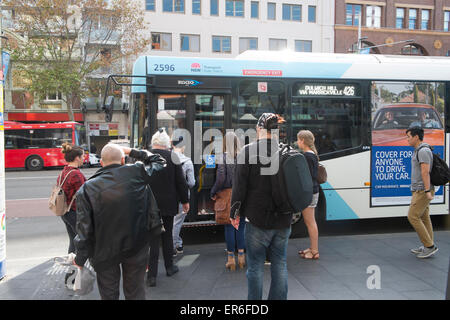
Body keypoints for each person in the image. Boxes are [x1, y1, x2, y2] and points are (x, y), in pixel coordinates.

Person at [73, 143, 166, 300]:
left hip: (104, 251)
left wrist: (80, 259)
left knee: (109, 294)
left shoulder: (86, 189)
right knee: (135, 291)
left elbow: (84, 230)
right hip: (136, 244)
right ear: (123, 160)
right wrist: (132, 151)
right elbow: (159, 161)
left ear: (101, 163)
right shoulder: (136, 172)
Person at [230, 112, 291, 300]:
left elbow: (239, 187)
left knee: (255, 266)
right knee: (279, 263)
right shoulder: (287, 151)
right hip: (283, 218)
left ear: (259, 129)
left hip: (257, 219)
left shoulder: (247, 151)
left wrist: (235, 213)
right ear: (277, 130)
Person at [146, 128, 189, 287]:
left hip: (149, 205)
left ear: (153, 142)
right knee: (167, 235)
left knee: (153, 239)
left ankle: (152, 276)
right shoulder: (173, 157)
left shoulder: (146, 157)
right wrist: (185, 201)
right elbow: (181, 182)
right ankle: (170, 267)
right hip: (168, 204)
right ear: (167, 144)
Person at [211, 131, 245, 271]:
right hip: (242, 195)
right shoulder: (243, 157)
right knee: (241, 226)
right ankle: (242, 257)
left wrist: (213, 191)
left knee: (229, 226)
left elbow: (220, 178)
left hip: (227, 195)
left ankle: (231, 259)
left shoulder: (223, 157)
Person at [405, 127, 439, 259]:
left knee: (412, 216)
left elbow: (425, 172)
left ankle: (430, 247)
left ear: (416, 137)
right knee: (424, 217)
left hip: (422, 190)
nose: (407, 139)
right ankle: (428, 245)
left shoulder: (423, 151)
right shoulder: (419, 150)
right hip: (419, 189)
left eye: (409, 136)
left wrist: (426, 191)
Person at [58, 143, 86, 286]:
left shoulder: (65, 171)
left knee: (73, 243)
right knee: (82, 244)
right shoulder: (76, 174)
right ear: (76, 158)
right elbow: (85, 195)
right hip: (75, 213)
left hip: (65, 212)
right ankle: (73, 277)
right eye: (82, 156)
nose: (84, 158)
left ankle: (70, 277)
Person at [296, 130, 320, 260]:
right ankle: (312, 248)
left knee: (310, 222)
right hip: (313, 191)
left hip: (309, 192)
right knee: (310, 221)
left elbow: (308, 177)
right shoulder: (312, 155)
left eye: (298, 140)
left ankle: (315, 251)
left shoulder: (307, 156)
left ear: (303, 141)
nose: (297, 142)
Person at [172, 136, 195, 256]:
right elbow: (191, 182)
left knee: (171, 222)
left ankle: (178, 244)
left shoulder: (166, 158)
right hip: (182, 196)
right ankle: (172, 247)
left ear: (173, 146)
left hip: (168, 195)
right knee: (177, 222)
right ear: (183, 146)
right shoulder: (187, 162)